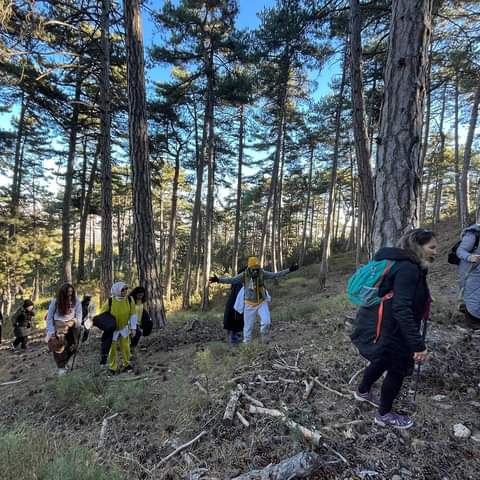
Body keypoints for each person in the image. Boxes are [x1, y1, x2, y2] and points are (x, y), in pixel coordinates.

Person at [350, 229, 437, 429]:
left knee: (383, 359)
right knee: (397, 369)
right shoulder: (409, 269)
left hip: (386, 325)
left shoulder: (404, 264)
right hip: (395, 328)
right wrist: (417, 345)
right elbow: (401, 308)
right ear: (418, 246)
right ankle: (384, 414)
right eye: (431, 247)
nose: (435, 251)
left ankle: (362, 391)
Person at [210, 256, 299, 343]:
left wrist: (289, 270)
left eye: (257, 268)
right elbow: (232, 280)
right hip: (249, 304)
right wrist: (218, 280)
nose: (256, 270)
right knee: (247, 329)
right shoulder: (244, 275)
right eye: (253, 269)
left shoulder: (262, 273)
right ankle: (246, 347)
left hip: (261, 302)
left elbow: (275, 275)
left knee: (266, 321)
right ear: (249, 268)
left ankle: (264, 336)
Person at [98, 282, 137, 374]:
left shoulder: (130, 300)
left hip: (124, 328)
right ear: (117, 290)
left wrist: (133, 328)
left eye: (126, 289)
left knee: (126, 347)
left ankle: (127, 364)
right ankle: (113, 368)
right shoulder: (110, 301)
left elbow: (133, 314)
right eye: (123, 289)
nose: (125, 291)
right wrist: (106, 326)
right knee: (112, 349)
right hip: (113, 330)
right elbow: (102, 315)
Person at [46, 284, 83, 376]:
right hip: (58, 324)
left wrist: (75, 323)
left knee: (73, 345)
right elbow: (49, 317)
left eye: (71, 292)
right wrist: (51, 331)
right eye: (68, 292)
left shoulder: (76, 300)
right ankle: (61, 367)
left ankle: (65, 362)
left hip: (72, 324)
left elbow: (79, 314)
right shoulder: (56, 301)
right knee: (59, 345)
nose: (70, 294)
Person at [456, 223, 480, 329]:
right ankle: (472, 323)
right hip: (471, 271)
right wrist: (470, 257)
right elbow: (460, 251)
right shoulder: (474, 233)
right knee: (472, 296)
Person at [223, 267, 245, 344]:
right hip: (235, 309)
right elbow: (239, 298)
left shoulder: (237, 281)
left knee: (233, 330)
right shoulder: (239, 283)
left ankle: (232, 343)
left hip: (232, 308)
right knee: (235, 332)